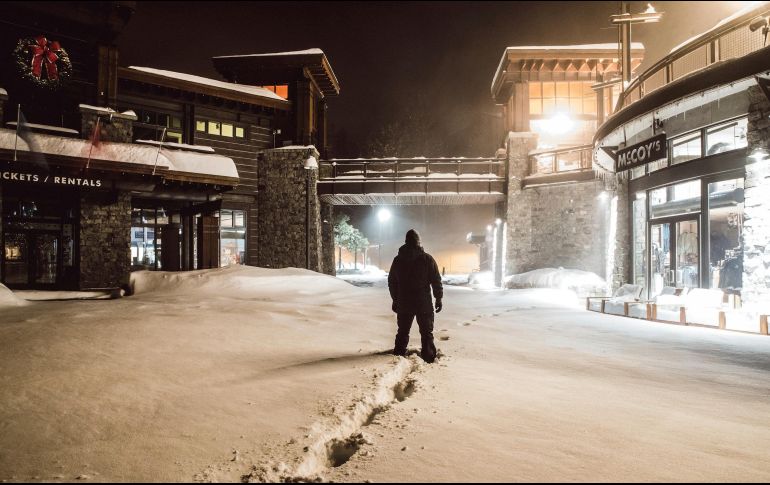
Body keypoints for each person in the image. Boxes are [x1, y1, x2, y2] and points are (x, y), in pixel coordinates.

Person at [387, 229, 443, 363]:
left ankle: (399, 355)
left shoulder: (398, 260)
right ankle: (428, 356)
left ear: (406, 241)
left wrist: (395, 299)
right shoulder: (427, 259)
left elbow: (392, 282)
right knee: (426, 332)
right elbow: (436, 280)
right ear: (419, 242)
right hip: (423, 303)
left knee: (403, 331)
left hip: (404, 302)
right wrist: (438, 298)